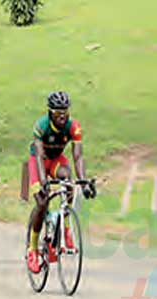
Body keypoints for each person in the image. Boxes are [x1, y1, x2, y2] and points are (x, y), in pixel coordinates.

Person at [26, 91, 96, 274]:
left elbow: (78, 156)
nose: (62, 116)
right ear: (50, 113)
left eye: (65, 111)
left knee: (69, 181)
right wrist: (43, 183)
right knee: (42, 202)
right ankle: (32, 249)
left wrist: (83, 182)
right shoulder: (41, 126)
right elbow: (39, 156)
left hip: (57, 160)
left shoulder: (74, 127)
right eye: (58, 113)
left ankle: (65, 228)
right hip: (38, 162)